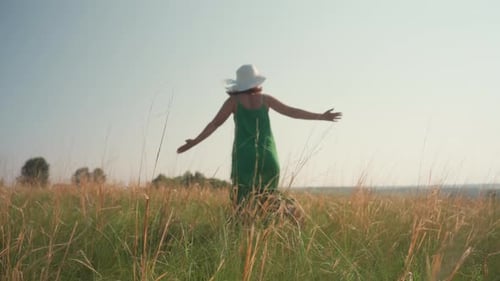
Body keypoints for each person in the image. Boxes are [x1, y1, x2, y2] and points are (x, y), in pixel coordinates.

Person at [177, 64, 342, 205]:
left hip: (245, 157)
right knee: (269, 201)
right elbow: (292, 112)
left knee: (242, 202)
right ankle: (286, 220)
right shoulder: (266, 100)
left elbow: (214, 124)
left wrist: (195, 141)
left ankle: (244, 236)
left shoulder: (233, 102)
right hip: (268, 156)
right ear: (256, 81)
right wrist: (321, 116)